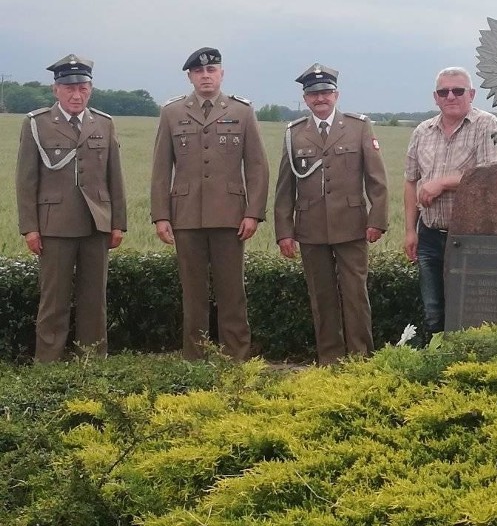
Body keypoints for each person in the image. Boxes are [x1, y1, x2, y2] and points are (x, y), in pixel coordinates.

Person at [150, 47, 269, 360]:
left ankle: (237, 359)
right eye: (199, 72)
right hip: (186, 216)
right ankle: (196, 359)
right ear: (190, 76)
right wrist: (161, 216)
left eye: (212, 70)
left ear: (221, 74)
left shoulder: (242, 111)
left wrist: (253, 213)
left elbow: (257, 166)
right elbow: (162, 168)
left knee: (233, 293)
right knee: (193, 295)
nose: (206, 76)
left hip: (231, 217)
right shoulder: (172, 112)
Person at [274, 63, 389, 365]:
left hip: (353, 226)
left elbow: (377, 180)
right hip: (310, 229)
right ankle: (330, 359)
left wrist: (377, 220)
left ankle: (360, 358)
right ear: (305, 98)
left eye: (325, 92)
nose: (320, 98)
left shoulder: (358, 126)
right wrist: (284, 232)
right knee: (321, 297)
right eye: (314, 94)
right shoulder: (294, 133)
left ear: (336, 94)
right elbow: (284, 188)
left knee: (355, 295)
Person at [15, 54, 127, 362]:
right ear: (56, 90)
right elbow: (26, 180)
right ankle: (49, 363)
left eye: (83, 88)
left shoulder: (103, 123)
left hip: (96, 224)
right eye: (69, 88)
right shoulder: (37, 124)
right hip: (54, 226)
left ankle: (92, 361)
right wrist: (30, 228)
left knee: (95, 299)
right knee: (54, 300)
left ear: (90, 89)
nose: (76, 94)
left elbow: (114, 177)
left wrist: (118, 223)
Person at [403, 66, 497, 343]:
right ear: (435, 97)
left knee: (472, 312)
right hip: (430, 234)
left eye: (458, 90)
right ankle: (439, 366)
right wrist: (410, 231)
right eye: (443, 91)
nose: (451, 96)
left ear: (471, 94)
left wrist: (443, 182)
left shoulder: (487, 125)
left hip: (472, 238)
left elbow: (492, 176)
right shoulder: (422, 131)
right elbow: (410, 181)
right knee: (433, 311)